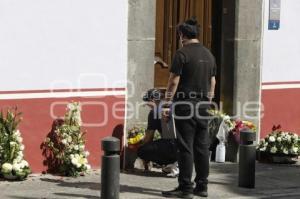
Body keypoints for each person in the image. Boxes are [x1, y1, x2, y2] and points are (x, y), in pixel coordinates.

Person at [161, 17, 216, 198]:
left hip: (185, 105)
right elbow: (212, 83)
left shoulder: (182, 53)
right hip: (203, 105)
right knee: (202, 147)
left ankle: (185, 188)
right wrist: (207, 102)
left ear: (182, 35)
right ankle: (202, 186)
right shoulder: (209, 55)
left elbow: (173, 81)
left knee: (185, 147)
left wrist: (167, 103)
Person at [137, 88, 179, 177]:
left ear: (152, 100)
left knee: (142, 150)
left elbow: (148, 138)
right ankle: (175, 163)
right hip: (186, 146)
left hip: (172, 147)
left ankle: (172, 163)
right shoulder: (174, 106)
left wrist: (141, 144)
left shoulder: (154, 112)